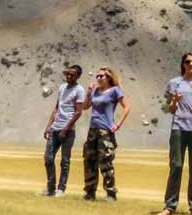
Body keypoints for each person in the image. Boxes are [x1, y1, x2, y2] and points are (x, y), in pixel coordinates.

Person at [157, 52, 192, 215]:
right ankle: (170, 205)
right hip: (179, 128)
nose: (191, 65)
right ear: (183, 64)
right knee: (176, 166)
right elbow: (170, 109)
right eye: (188, 62)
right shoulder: (174, 83)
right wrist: (174, 100)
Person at [82, 66, 130, 201]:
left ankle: (110, 192)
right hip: (93, 129)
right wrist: (88, 93)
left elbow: (127, 107)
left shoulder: (115, 91)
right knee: (89, 160)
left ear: (108, 78)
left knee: (106, 161)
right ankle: (90, 192)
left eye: (101, 76)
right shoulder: (96, 91)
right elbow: (85, 107)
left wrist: (118, 124)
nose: (98, 78)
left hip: (105, 130)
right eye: (97, 76)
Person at [41, 64, 86, 197]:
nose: (69, 76)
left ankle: (61, 189)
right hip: (55, 128)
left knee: (65, 160)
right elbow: (56, 108)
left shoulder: (80, 90)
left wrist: (66, 128)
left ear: (78, 76)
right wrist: (49, 126)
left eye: (72, 75)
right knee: (48, 158)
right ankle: (50, 188)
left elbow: (78, 113)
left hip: (68, 131)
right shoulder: (62, 88)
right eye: (68, 74)